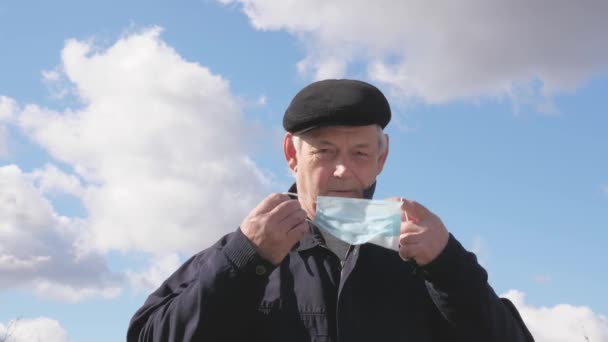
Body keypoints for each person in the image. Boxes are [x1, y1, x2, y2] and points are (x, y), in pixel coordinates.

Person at [127, 79, 535, 342]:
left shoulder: (423, 259)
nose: (342, 170)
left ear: (382, 157)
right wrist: (244, 259)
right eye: (324, 152)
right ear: (292, 154)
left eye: (359, 152)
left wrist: (448, 266)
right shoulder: (243, 252)